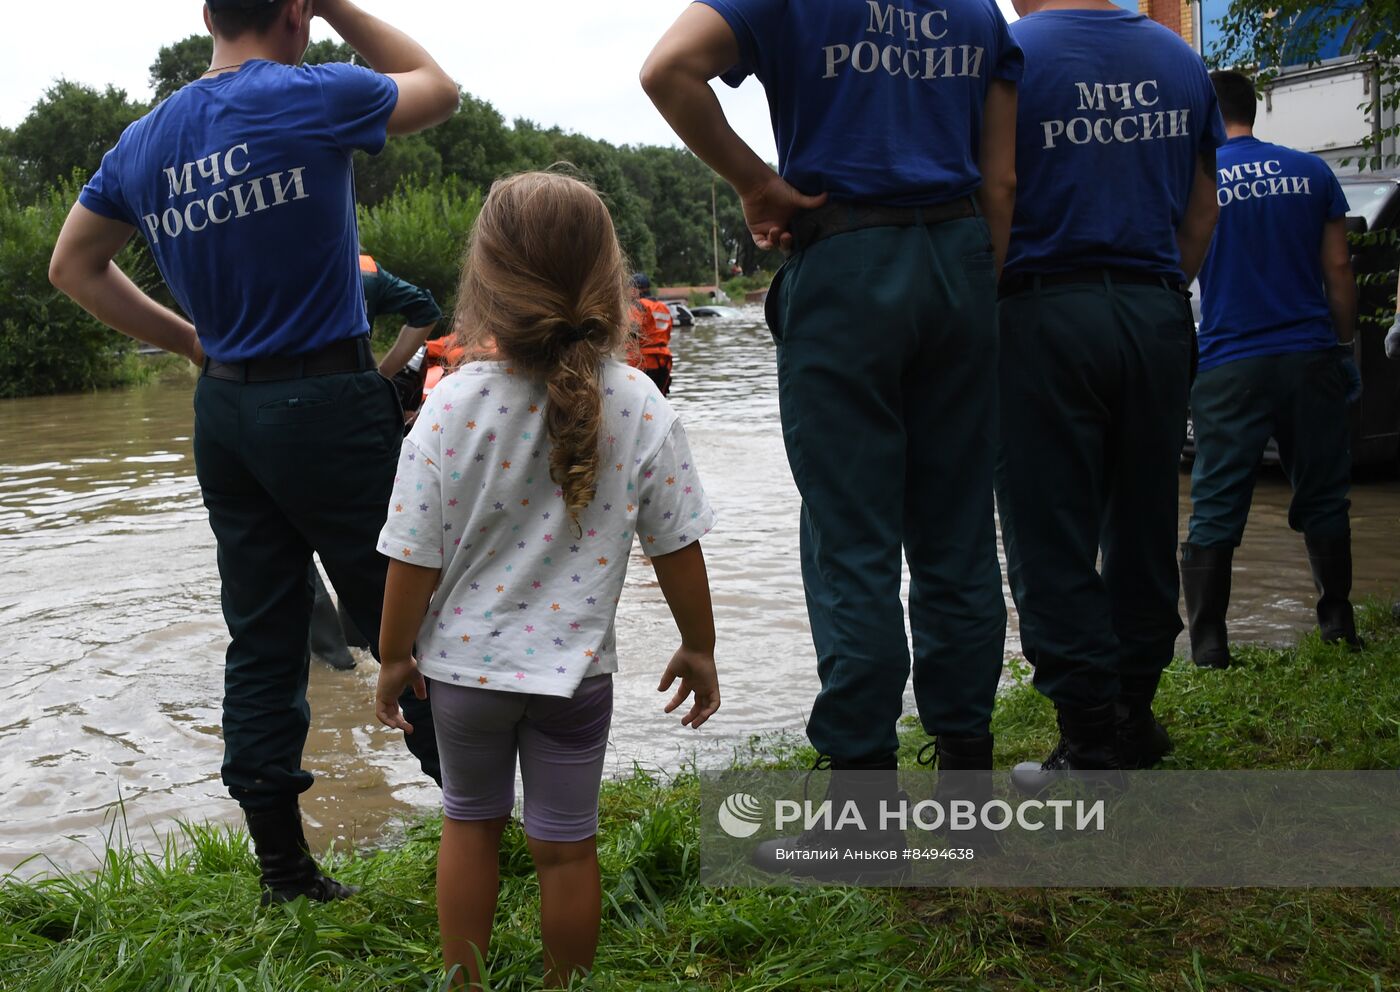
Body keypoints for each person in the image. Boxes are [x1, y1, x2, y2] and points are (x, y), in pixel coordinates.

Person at [48, 0, 460, 904]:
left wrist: (189, 341)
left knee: (263, 640)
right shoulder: (311, 93)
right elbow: (438, 87)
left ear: (206, 12)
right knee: (410, 622)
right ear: (295, 12)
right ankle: (484, 827)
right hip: (327, 402)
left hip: (225, 414)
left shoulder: (145, 140)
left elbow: (72, 266)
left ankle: (283, 869)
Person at [642, 0, 1020, 875]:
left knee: (851, 538)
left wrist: (755, 183)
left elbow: (667, 70)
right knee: (959, 534)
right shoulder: (980, 12)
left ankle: (863, 808)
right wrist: (970, 281)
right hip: (962, 257)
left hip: (845, 266)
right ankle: (970, 793)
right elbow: (1001, 184)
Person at [374, 172, 720, 989]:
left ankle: (465, 983)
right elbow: (677, 545)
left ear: (484, 288)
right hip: (574, 680)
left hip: (462, 677)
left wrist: (393, 658)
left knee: (469, 826)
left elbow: (411, 556)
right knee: (568, 847)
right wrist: (699, 646)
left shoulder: (451, 405)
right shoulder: (637, 400)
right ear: (608, 279)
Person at [993, 0, 1224, 789]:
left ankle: (1089, 741)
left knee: (1048, 528)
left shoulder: (1009, 51)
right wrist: (1160, 295)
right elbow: (1202, 209)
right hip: (1156, 310)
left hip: (1042, 311)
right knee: (1146, 514)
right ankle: (1137, 713)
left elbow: (1000, 185)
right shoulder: (1180, 59)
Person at [1182, 69, 1362, 668]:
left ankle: (1209, 648)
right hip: (1308, 356)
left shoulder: (1195, 179)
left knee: (1214, 502)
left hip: (1228, 363)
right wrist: (1343, 347)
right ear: (1254, 109)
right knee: (1324, 492)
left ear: (1209, 112)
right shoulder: (1312, 173)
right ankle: (1337, 626)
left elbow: (1175, 271)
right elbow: (1338, 269)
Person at [308, 252, 444, 671]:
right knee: (368, 534)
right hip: (358, 413)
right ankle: (372, 643)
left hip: (285, 409)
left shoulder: (274, 256)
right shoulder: (363, 266)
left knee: (288, 535)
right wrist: (380, 373)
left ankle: (334, 660)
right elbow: (426, 311)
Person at [628, 272, 676, 395]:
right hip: (664, 360)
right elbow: (668, 333)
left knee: (640, 401)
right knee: (658, 401)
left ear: (634, 290)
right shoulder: (663, 307)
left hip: (646, 360)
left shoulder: (638, 305)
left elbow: (632, 330)